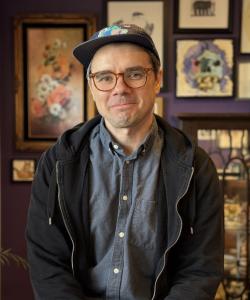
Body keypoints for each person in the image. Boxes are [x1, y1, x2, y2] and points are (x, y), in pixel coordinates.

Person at [26, 24, 224, 300]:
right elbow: (48, 265)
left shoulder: (196, 167)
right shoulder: (58, 162)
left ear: (157, 79)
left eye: (134, 74)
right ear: (92, 86)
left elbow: (200, 270)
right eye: (105, 77)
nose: (120, 88)